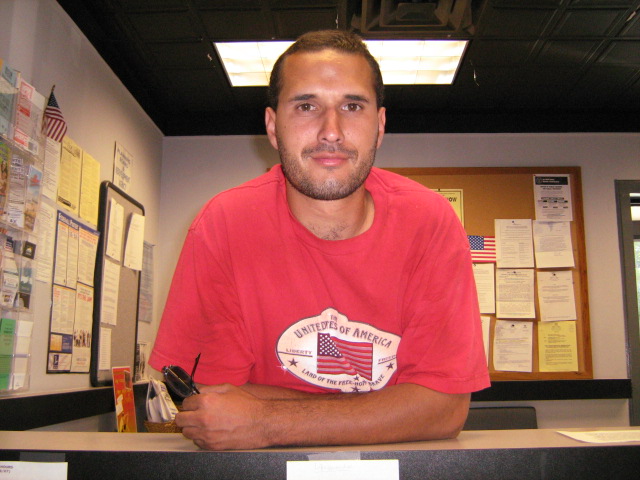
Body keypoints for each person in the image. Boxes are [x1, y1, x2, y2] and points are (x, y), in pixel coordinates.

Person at [149, 29, 490, 451]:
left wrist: (268, 420)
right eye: (306, 106)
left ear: (380, 126)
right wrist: (391, 407)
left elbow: (444, 409)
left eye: (352, 106)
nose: (332, 131)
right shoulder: (222, 225)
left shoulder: (431, 223)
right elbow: (211, 406)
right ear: (273, 126)